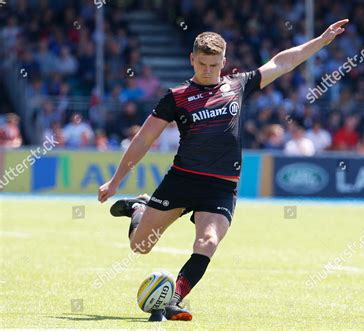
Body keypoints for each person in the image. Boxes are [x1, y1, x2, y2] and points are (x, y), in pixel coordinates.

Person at [97, 19, 349, 322]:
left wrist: (320, 41)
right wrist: (115, 181)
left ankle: (175, 298)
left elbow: (282, 62)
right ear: (192, 59)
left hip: (221, 186)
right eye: (202, 64)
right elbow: (143, 140)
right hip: (182, 180)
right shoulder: (176, 97)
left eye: (214, 65)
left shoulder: (237, 85)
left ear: (224, 62)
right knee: (140, 247)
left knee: (208, 241)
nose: (207, 70)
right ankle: (139, 208)